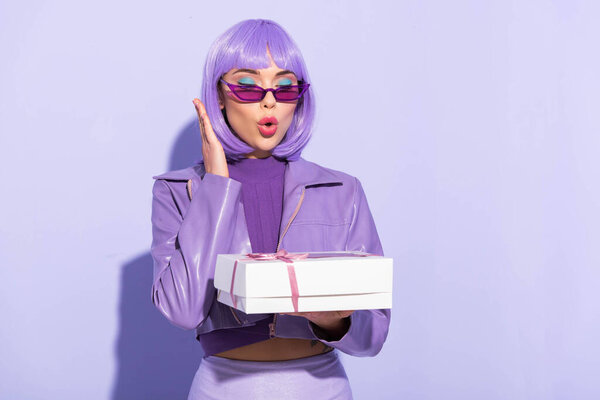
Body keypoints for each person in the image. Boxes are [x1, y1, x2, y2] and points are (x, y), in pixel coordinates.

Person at [150, 19, 391, 400]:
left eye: (284, 86)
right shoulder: (180, 190)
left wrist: (334, 322)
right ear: (219, 95)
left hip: (321, 386)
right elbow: (183, 310)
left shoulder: (342, 190)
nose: (269, 101)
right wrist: (217, 183)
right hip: (222, 388)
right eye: (247, 86)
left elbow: (374, 335)